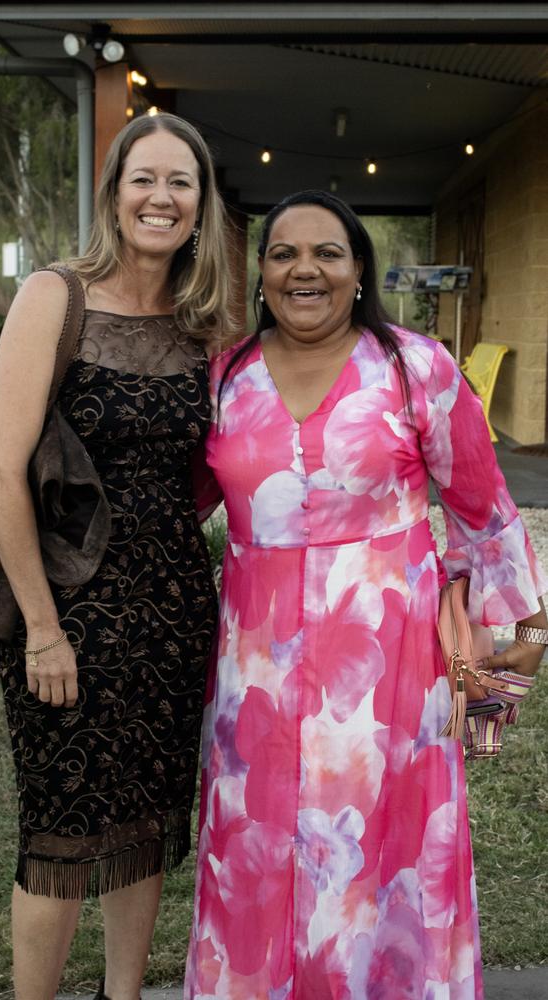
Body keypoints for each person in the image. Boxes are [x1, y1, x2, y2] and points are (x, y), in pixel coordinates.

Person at [185, 190, 548, 999]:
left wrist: (522, 631)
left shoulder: (417, 368)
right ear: (262, 275)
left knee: (387, 861)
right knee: (259, 853)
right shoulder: (224, 380)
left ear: (358, 273)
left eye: (327, 253)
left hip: (393, 674)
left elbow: (484, 512)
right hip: (258, 678)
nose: (304, 268)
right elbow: (173, 508)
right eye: (283, 253)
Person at [0, 112, 232, 1000]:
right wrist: (42, 630)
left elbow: (205, 473)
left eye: (181, 183)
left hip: (172, 607)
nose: (161, 198)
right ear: (114, 193)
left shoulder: (205, 321)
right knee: (59, 829)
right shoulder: (58, 296)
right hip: (69, 611)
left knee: (145, 825)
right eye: (145, 179)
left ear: (201, 206)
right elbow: (0, 469)